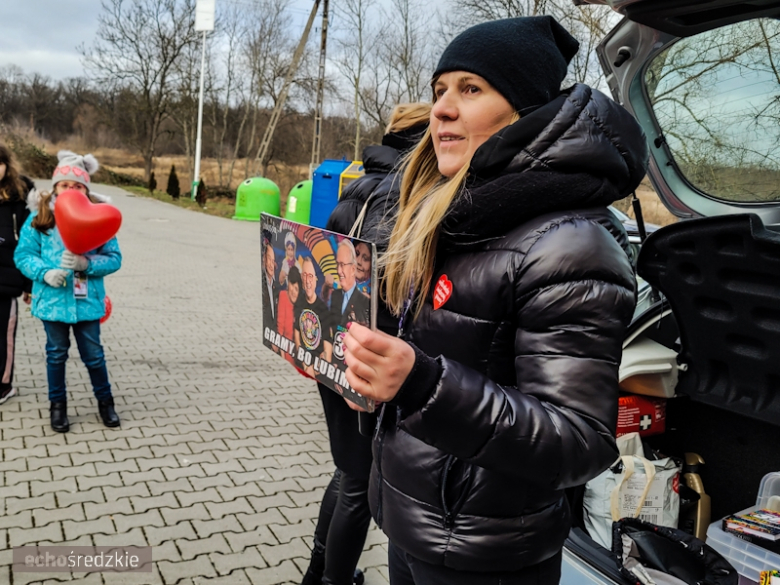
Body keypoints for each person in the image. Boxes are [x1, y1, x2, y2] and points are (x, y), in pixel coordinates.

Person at [341, 16, 648, 584]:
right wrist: (369, 382)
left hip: (488, 555)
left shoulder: (570, 243)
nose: (442, 109)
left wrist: (420, 385)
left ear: (523, 110)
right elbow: (429, 363)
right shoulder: (446, 213)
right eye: (439, 90)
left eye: (471, 88)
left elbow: (579, 441)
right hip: (412, 526)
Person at [300, 103, 431, 585]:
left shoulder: (355, 186)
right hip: (372, 360)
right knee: (358, 481)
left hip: (333, 349)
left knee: (345, 471)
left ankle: (319, 573)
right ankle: (332, 579)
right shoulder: (410, 194)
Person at [14, 150, 122, 433]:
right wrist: (44, 272)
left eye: (77, 186)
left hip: (86, 301)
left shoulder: (98, 217)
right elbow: (24, 255)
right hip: (52, 302)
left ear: (85, 189)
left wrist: (87, 263)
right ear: (55, 187)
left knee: (94, 355)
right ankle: (58, 405)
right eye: (65, 185)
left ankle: (105, 402)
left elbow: (114, 258)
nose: (71, 190)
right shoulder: (40, 216)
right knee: (55, 354)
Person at [0, 145, 34, 404]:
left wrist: (29, 284)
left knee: (3, 335)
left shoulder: (19, 197)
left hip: (7, 282)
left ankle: (4, 384)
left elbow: (31, 245)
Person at [293, 256, 334, 381]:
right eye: (304, 275)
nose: (307, 281)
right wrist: (306, 365)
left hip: (320, 371)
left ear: (316, 279)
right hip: (304, 364)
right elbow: (297, 334)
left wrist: (317, 368)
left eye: (310, 276)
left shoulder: (323, 310)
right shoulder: (299, 302)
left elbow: (328, 350)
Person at [276, 265, 302, 366]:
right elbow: (280, 329)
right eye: (292, 286)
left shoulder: (301, 303)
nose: (293, 292)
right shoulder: (283, 296)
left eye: (297, 289)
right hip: (285, 354)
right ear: (288, 284)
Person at [262, 235, 279, 328]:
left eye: (273, 261)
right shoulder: (263, 281)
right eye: (269, 259)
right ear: (264, 258)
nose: (271, 265)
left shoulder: (277, 285)